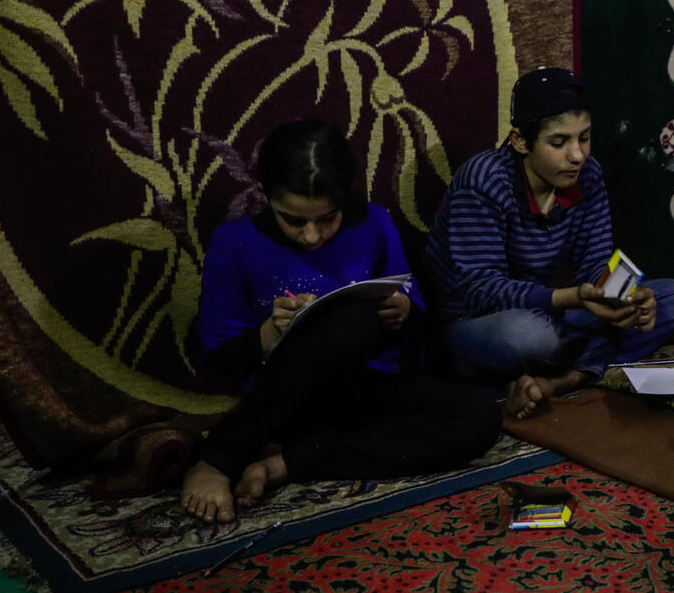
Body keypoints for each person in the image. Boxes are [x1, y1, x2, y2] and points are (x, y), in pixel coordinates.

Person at [179, 119, 501, 523]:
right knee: (349, 319)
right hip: (284, 401)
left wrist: (403, 314)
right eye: (294, 220)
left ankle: (285, 465)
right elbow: (218, 357)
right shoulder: (235, 241)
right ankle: (220, 459)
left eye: (326, 218)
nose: (312, 236)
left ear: (344, 199)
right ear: (264, 196)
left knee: (480, 415)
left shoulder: (375, 222)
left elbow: (415, 324)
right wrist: (269, 332)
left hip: (365, 392)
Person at [423, 66, 674, 419]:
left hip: (551, 310)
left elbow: (595, 265)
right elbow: (480, 291)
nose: (577, 155)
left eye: (584, 137)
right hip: (473, 325)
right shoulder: (484, 181)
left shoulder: (588, 175)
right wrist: (572, 298)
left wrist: (623, 299)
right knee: (532, 336)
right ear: (521, 141)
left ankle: (558, 380)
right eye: (559, 142)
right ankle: (561, 369)